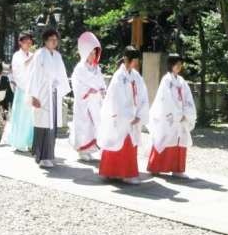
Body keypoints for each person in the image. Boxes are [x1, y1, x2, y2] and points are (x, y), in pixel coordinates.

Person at [97, 46, 150, 184]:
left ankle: (125, 173)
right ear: (127, 60)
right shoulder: (119, 76)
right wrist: (128, 115)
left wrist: (139, 114)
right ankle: (118, 173)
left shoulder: (136, 76)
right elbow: (116, 98)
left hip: (133, 116)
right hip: (121, 116)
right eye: (134, 62)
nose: (136, 65)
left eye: (137, 63)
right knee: (117, 143)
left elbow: (143, 95)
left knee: (129, 145)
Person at [147, 54, 197, 177]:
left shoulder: (181, 81)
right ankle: (156, 166)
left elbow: (188, 98)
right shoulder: (167, 80)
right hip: (169, 116)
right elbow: (166, 99)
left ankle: (178, 169)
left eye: (180, 64)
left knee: (180, 141)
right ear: (171, 65)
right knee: (165, 139)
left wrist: (186, 113)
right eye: (177, 64)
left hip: (181, 116)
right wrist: (177, 114)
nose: (179, 67)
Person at [27, 28, 70, 168]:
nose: (54, 42)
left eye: (56, 40)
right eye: (52, 39)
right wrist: (34, 96)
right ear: (45, 40)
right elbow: (33, 75)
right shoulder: (39, 54)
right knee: (43, 125)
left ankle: (49, 154)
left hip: (54, 93)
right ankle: (42, 156)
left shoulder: (57, 55)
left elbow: (62, 74)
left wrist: (60, 86)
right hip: (42, 93)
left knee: (52, 126)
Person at [69, 32, 106, 161]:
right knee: (83, 125)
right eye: (90, 53)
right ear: (84, 53)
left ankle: (90, 149)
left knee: (94, 126)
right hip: (84, 102)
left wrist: (102, 90)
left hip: (95, 102)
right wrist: (87, 91)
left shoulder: (97, 68)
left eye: (94, 53)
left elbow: (101, 83)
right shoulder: (79, 69)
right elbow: (76, 84)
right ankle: (82, 149)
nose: (93, 56)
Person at [8, 33, 35, 152]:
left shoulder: (32, 55)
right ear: (20, 42)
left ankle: (30, 142)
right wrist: (34, 58)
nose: (28, 44)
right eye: (26, 42)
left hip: (32, 89)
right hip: (22, 89)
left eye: (30, 42)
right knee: (21, 116)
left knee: (31, 117)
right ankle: (19, 142)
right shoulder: (17, 55)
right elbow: (21, 68)